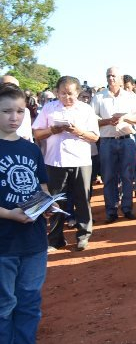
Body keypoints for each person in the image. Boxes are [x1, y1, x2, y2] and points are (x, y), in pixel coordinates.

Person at [0, 83, 53, 344]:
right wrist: (10, 214)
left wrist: (46, 206)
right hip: (4, 243)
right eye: (6, 111)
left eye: (20, 111)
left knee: (30, 303)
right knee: (4, 306)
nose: (14, 117)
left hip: (33, 241)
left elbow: (41, 187)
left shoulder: (31, 149)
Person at [31, 76, 100, 252]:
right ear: (57, 92)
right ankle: (55, 239)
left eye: (70, 94)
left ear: (78, 92)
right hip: (54, 160)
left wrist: (77, 131)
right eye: (62, 93)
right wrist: (51, 130)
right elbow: (37, 133)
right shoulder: (49, 108)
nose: (66, 97)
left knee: (82, 199)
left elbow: (95, 136)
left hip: (80, 161)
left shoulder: (86, 109)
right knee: (56, 201)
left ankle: (83, 235)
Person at [92, 67, 136, 223]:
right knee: (108, 177)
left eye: (114, 76)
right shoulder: (98, 97)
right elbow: (91, 120)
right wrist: (108, 121)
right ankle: (111, 211)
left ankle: (127, 208)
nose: (111, 78)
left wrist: (124, 118)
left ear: (121, 78)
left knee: (128, 176)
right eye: (108, 76)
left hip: (127, 140)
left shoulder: (130, 97)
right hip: (107, 141)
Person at [0, 75, 33, 141]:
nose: (14, 118)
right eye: (7, 111)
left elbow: (27, 134)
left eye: (16, 88)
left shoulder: (25, 111)